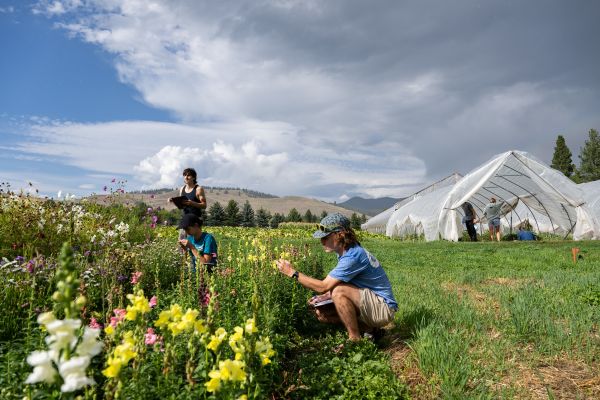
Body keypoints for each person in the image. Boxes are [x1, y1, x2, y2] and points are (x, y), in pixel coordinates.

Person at [276, 213, 398, 342]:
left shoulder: (353, 256)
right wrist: (325, 296)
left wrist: (291, 272)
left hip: (383, 308)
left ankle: (354, 340)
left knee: (339, 291)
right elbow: (348, 283)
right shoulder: (346, 251)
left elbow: (322, 286)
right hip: (373, 303)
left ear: (340, 234)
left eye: (326, 237)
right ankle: (370, 330)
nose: (322, 241)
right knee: (322, 313)